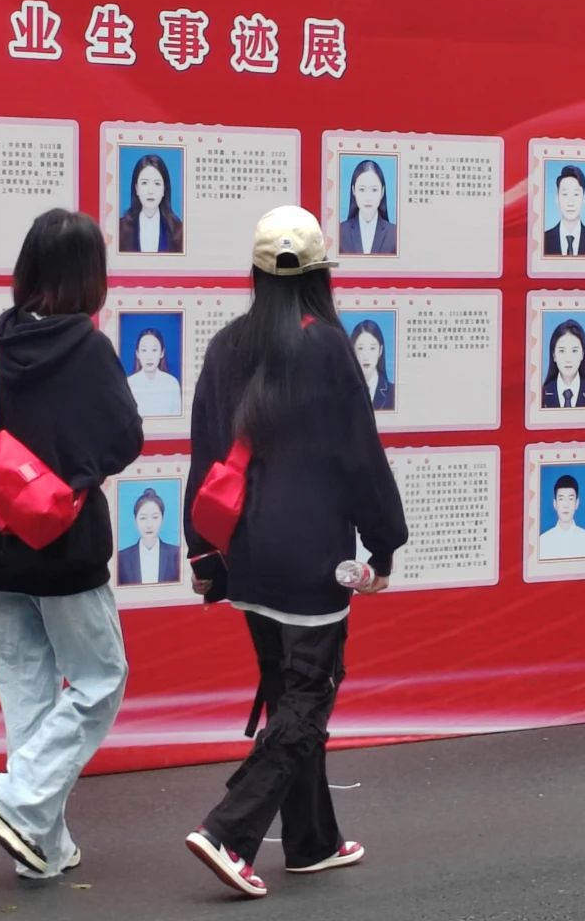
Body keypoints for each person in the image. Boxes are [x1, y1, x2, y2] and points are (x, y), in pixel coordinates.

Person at [182, 205, 407, 898]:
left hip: (246, 554)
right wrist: (385, 545)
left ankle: (312, 841)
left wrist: (204, 556)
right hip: (312, 557)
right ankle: (229, 830)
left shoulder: (226, 346)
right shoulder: (329, 348)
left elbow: (205, 455)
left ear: (255, 273)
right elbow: (359, 457)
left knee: (287, 693)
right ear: (318, 277)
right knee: (308, 697)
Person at [0, 208, 144, 880]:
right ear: (89, 275)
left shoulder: (2, 337)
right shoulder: (87, 347)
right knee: (100, 678)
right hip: (62, 544)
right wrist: (77, 471)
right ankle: (15, 798)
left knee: (29, 698)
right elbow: (125, 437)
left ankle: (42, 847)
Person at [118, 154, 184, 254]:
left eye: (157, 183)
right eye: (144, 183)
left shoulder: (178, 231)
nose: (150, 191)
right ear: (136, 188)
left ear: (164, 189)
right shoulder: (120, 228)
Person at [116, 487, 181, 585]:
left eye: (155, 517)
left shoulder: (177, 554)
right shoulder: (121, 558)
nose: (149, 525)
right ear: (135, 520)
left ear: (162, 519)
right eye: (143, 518)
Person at [338, 159, 397, 255]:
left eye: (374, 190)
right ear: (354, 190)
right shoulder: (340, 232)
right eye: (362, 189)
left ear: (382, 192)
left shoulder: (395, 233)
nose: (368, 197)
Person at [126, 326, 182, 417]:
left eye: (154, 350)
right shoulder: (129, 384)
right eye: (144, 350)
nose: (149, 357)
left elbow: (177, 419)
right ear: (137, 354)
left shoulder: (172, 383)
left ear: (162, 353)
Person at [543, 165, 585, 257]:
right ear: (557, 198)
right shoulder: (543, 239)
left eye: (576, 194)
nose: (570, 203)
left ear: (584, 199)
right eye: (565, 194)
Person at [538, 474, 585, 561]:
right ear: (555, 503)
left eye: (570, 499)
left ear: (577, 503)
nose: (565, 505)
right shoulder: (542, 541)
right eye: (561, 499)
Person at [541, 319, 585, 409]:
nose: (568, 359)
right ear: (554, 355)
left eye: (574, 351)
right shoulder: (540, 396)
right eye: (562, 351)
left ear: (582, 354)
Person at [348, 319, 395, 411]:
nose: (366, 356)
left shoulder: (393, 392)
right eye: (360, 348)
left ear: (380, 351)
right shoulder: (343, 391)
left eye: (372, 348)